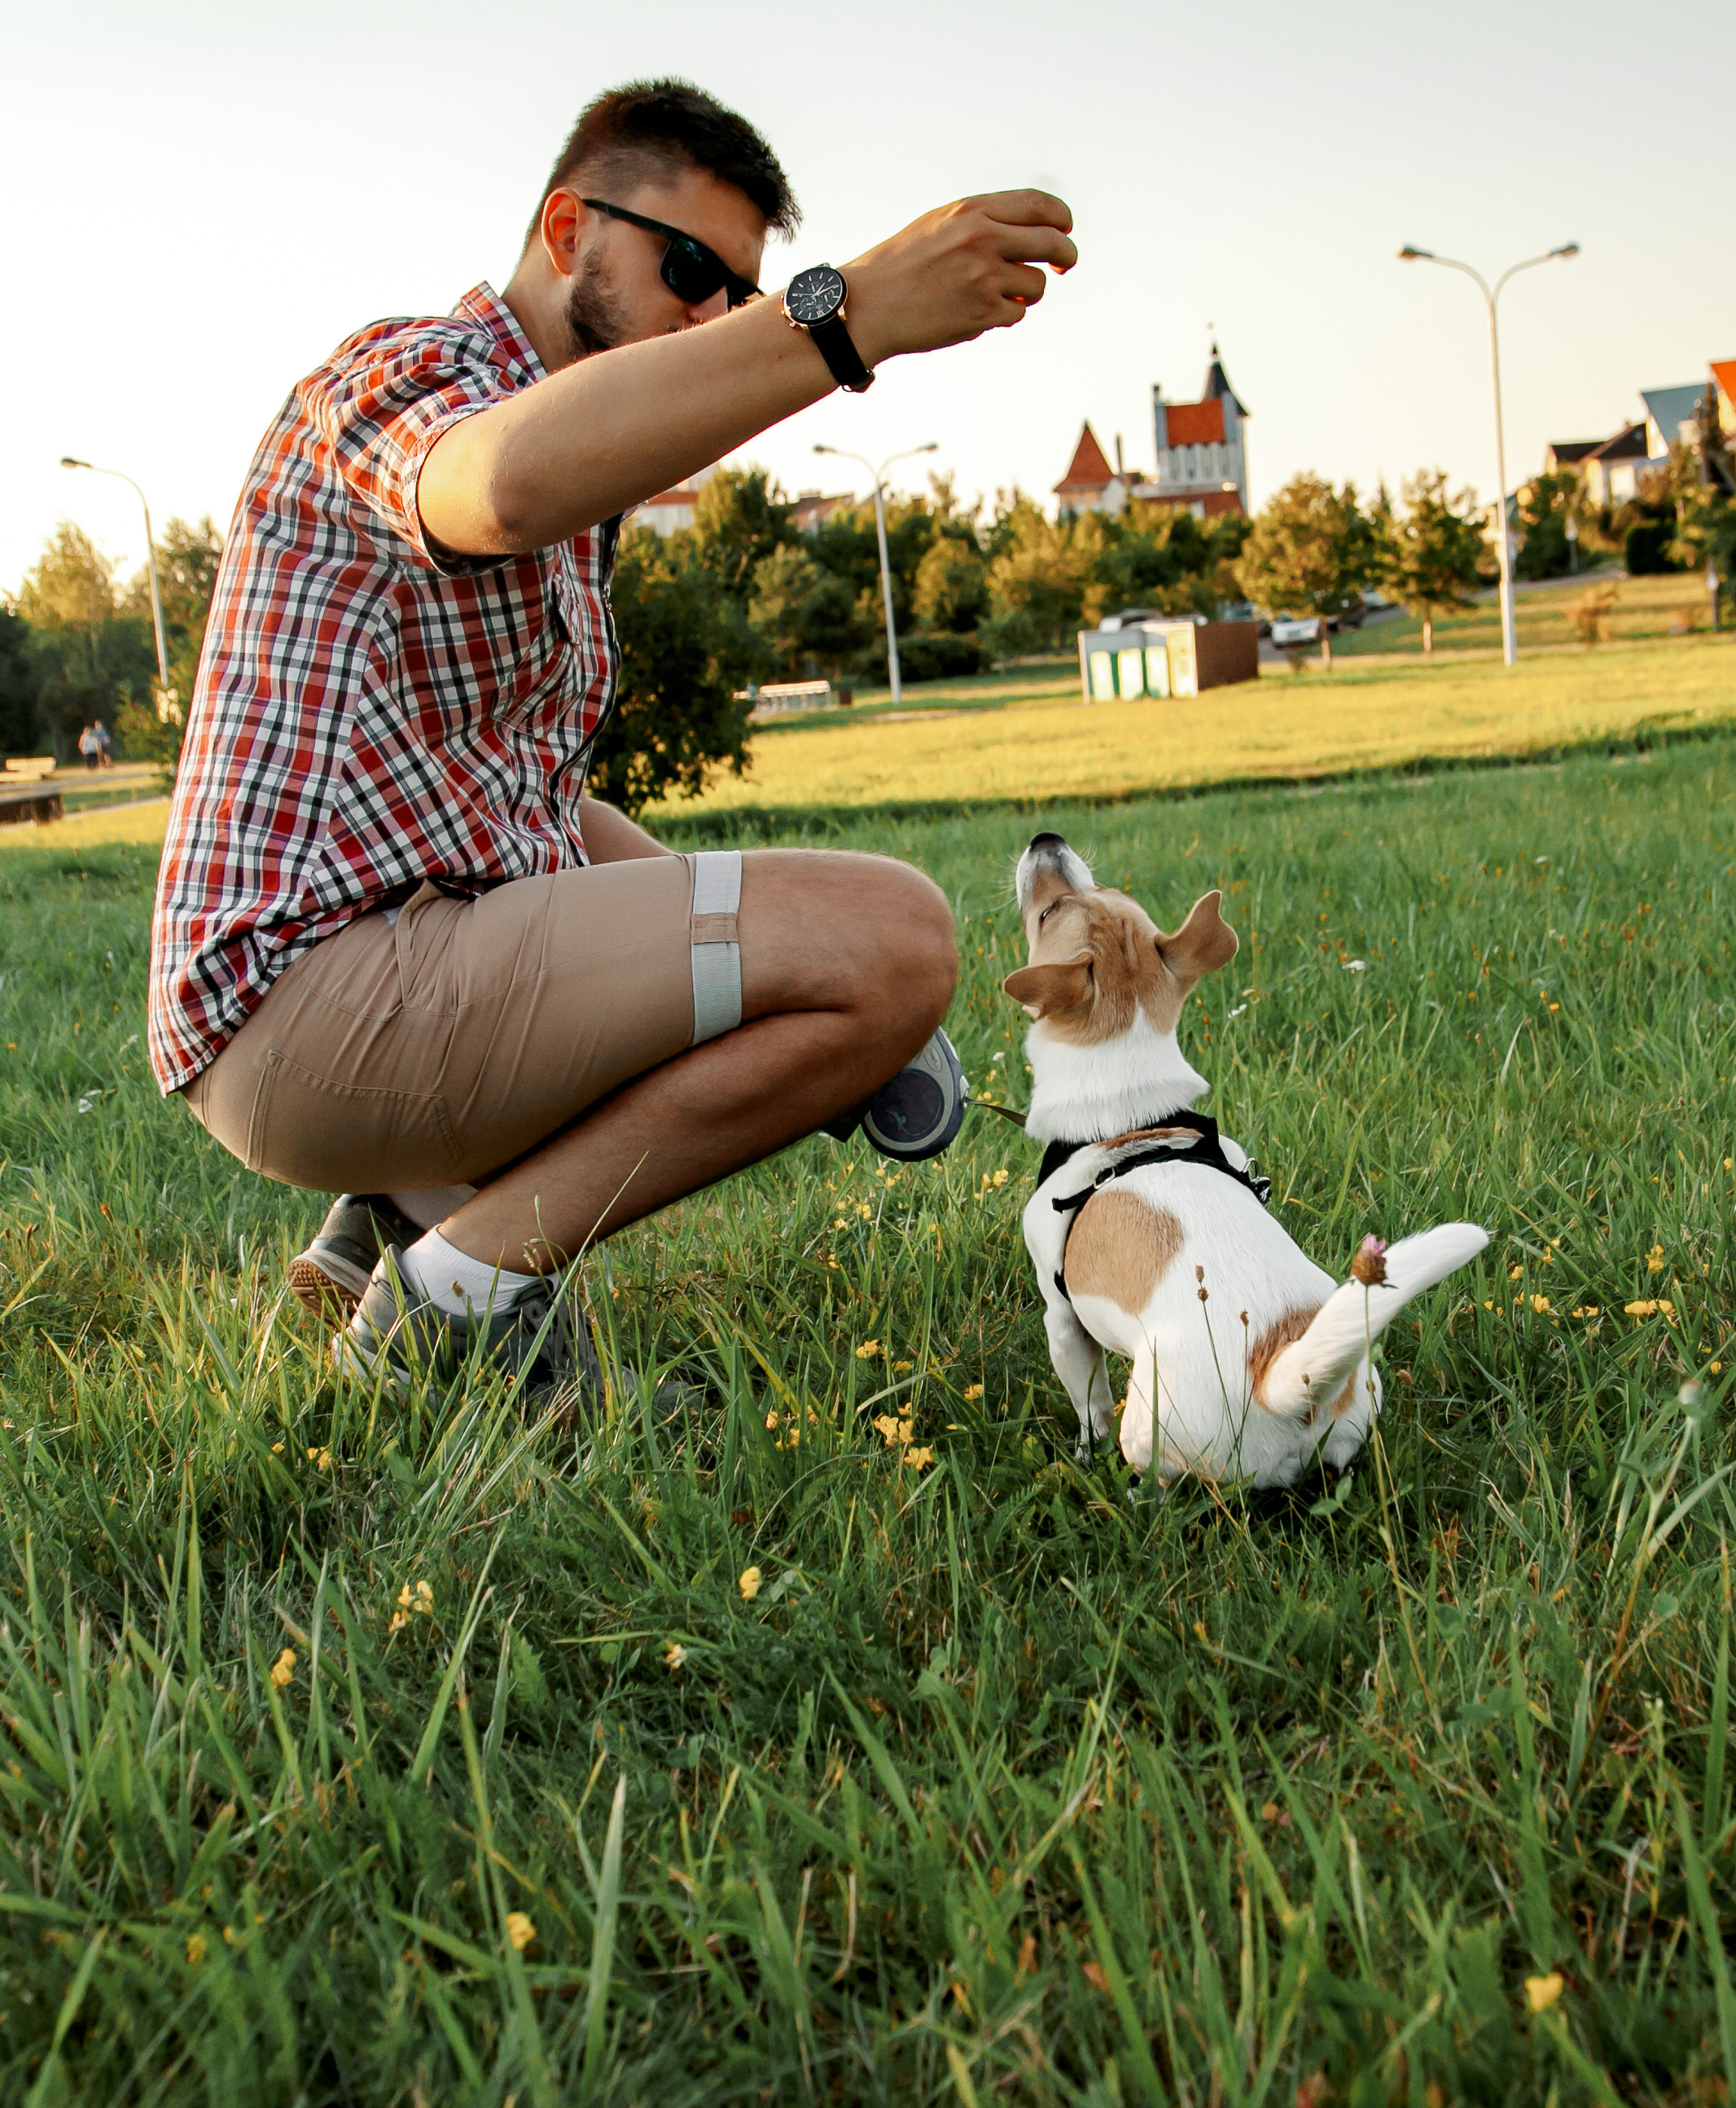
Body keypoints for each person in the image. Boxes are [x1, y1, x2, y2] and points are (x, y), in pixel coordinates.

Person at [148, 77, 1076, 1409]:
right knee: (903, 936)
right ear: (568, 225)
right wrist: (840, 315)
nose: (707, 320)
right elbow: (503, 482)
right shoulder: (411, 375)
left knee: (841, 942)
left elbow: (537, 802)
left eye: (735, 300)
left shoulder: (590, 499)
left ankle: (387, 1231)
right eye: (685, 267)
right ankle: (453, 1303)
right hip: (301, 1001)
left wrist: (768, 962)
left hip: (379, 992)